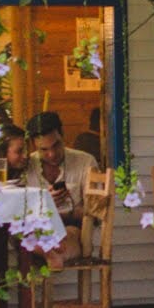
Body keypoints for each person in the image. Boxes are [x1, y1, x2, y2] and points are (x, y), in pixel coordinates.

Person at [22, 109, 95, 268]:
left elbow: (94, 212)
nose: (52, 154)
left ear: (63, 135)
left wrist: (67, 211)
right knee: (29, 236)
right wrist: (43, 204)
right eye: (44, 149)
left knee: (68, 233)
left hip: (71, 229)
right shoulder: (26, 166)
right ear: (33, 145)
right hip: (36, 228)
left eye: (56, 145)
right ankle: (51, 252)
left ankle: (53, 253)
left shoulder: (85, 162)